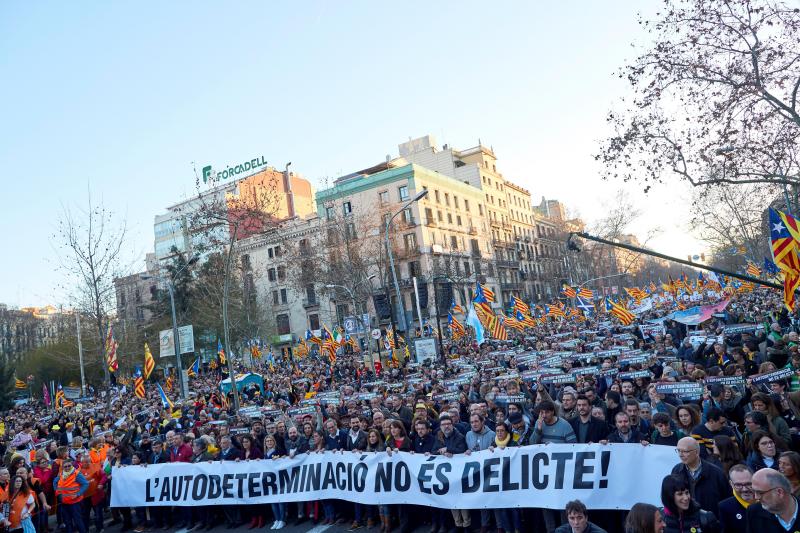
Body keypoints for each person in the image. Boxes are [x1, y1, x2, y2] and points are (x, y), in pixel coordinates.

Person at [671, 437, 731, 517]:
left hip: (711, 524)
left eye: (685, 451)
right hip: (685, 522)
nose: (680, 455)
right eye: (678, 451)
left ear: (696, 452)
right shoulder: (676, 471)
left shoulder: (717, 473)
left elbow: (727, 500)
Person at [53, 457, 89, 533]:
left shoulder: (77, 474)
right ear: (62, 467)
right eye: (65, 466)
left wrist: (78, 494)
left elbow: (85, 484)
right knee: (68, 523)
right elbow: (54, 482)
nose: (67, 468)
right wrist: (57, 493)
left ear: (72, 465)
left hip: (75, 503)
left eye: (69, 466)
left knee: (78, 522)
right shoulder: (61, 474)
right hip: (64, 503)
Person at [717, 464, 754, 533]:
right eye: (738, 485)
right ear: (731, 484)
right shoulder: (725, 507)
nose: (744, 489)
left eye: (748, 484)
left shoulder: (766, 501)